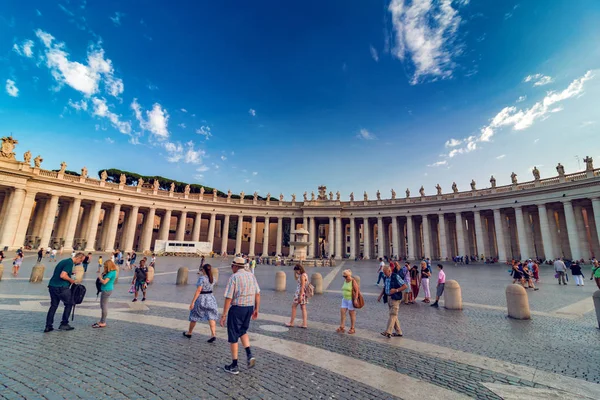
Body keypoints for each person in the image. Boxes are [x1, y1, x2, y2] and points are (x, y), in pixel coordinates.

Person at [220, 257, 260, 374]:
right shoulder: (251, 276)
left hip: (237, 309)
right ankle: (249, 354)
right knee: (243, 331)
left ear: (236, 266)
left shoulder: (234, 277)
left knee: (233, 336)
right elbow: (257, 294)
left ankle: (234, 365)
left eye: (232, 266)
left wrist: (224, 315)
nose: (231, 268)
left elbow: (228, 297)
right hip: (249, 308)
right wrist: (256, 309)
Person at [45, 252, 84, 332]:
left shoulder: (64, 261)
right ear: (78, 258)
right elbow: (62, 275)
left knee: (53, 306)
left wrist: (70, 273)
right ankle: (64, 324)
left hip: (52, 286)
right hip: (62, 287)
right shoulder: (70, 263)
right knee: (69, 304)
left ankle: (48, 326)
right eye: (81, 260)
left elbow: (61, 272)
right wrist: (71, 280)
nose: (80, 263)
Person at [184, 264, 218, 342]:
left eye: (202, 269)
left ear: (204, 270)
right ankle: (213, 334)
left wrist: (192, 302)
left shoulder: (202, 278)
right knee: (211, 316)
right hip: (210, 298)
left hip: (202, 298)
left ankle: (189, 332)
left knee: (194, 315)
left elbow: (199, 290)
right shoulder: (213, 278)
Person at [377, 265, 407, 338]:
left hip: (395, 298)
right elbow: (385, 287)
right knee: (393, 315)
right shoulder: (385, 277)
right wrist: (380, 295)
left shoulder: (395, 276)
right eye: (383, 272)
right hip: (388, 297)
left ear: (389, 271)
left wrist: (396, 290)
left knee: (392, 314)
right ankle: (399, 332)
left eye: (385, 272)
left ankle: (388, 332)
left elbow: (405, 286)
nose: (384, 274)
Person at [93, 260, 118, 328]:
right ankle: (102, 320)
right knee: (102, 305)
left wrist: (100, 278)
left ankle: (103, 322)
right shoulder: (109, 272)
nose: (104, 267)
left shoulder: (111, 273)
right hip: (106, 289)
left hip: (106, 290)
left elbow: (104, 282)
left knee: (104, 306)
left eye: (105, 266)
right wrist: (103, 273)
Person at [285, 264, 309, 328]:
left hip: (300, 293)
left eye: (296, 271)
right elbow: (296, 278)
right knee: (303, 308)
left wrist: (300, 295)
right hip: (303, 293)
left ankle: (291, 322)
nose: (296, 272)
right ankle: (304, 324)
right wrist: (295, 273)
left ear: (299, 270)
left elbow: (302, 286)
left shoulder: (302, 276)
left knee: (294, 307)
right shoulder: (304, 274)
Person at [336, 269, 358, 334]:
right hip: (344, 299)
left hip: (351, 299)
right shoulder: (345, 281)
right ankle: (342, 326)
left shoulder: (353, 281)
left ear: (349, 275)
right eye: (344, 276)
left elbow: (357, 290)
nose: (345, 278)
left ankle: (352, 328)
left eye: (346, 276)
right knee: (342, 312)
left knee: (351, 314)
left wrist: (355, 299)